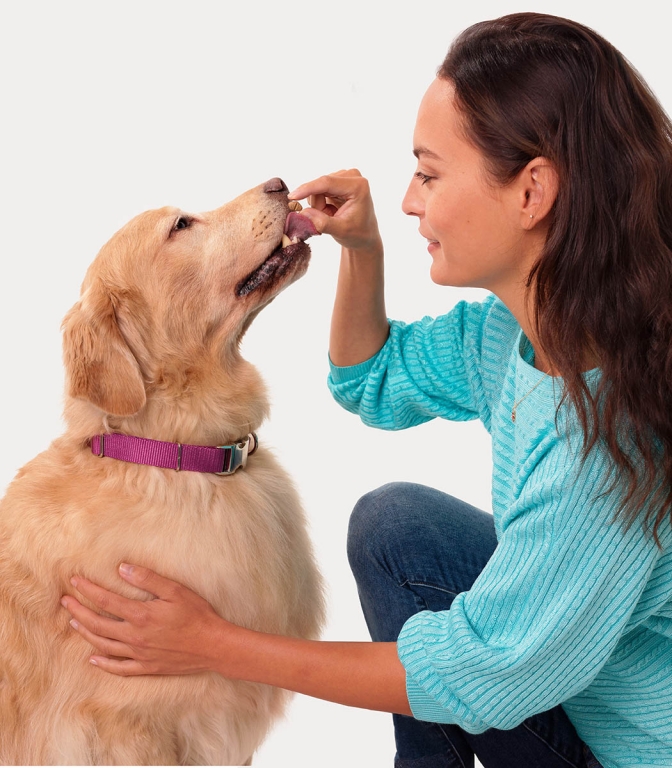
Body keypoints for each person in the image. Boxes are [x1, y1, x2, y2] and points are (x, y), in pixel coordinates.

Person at [60, 12, 672, 768]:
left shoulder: (605, 453)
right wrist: (363, 246)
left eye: (430, 173)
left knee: (455, 655)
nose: (412, 200)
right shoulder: (510, 336)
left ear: (531, 192)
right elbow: (370, 381)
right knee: (396, 526)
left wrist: (212, 645)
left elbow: (473, 676)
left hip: (614, 754)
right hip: (569, 682)